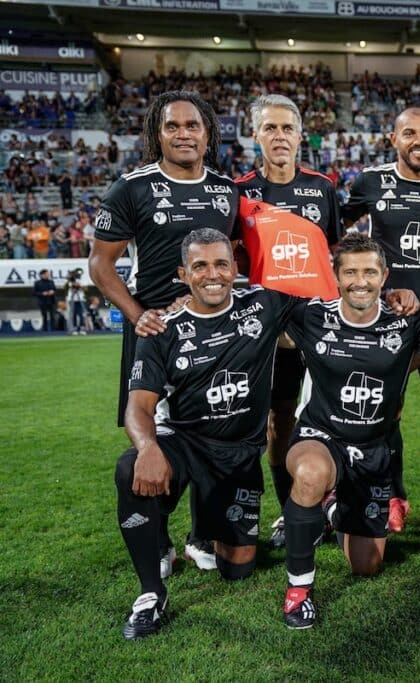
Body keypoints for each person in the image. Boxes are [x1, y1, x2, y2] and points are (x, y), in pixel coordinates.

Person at [114, 229, 297, 639]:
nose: (212, 274)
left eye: (220, 264)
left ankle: (202, 531)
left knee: (239, 568)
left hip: (238, 453)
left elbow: (329, 293)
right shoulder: (162, 329)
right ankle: (150, 593)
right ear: (184, 274)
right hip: (185, 443)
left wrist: (396, 295)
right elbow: (138, 406)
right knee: (131, 468)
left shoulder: (264, 305)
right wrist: (147, 446)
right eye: (200, 266)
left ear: (235, 269)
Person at [89, 90, 238, 574]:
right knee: (150, 433)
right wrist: (138, 315)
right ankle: (158, 541)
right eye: (172, 126)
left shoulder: (226, 190)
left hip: (212, 331)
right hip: (154, 332)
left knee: (209, 427)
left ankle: (201, 535)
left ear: (208, 133)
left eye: (193, 125)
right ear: (158, 133)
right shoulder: (131, 188)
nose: (183, 134)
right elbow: (101, 265)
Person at [280, 233, 420, 629]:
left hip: (373, 450)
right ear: (336, 276)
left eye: (369, 273)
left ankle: (332, 507)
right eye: (350, 273)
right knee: (310, 473)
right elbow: (258, 315)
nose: (360, 282)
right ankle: (298, 590)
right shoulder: (312, 316)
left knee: (367, 565)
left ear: (384, 276)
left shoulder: (406, 321)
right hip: (321, 436)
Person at [342, 107, 420, 533]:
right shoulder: (371, 181)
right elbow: (339, 229)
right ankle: (393, 496)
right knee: (386, 407)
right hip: (389, 316)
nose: (419, 141)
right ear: (393, 139)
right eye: (409, 133)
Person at [235, 94, 341, 548]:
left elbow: (331, 254)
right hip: (269, 332)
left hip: (318, 328)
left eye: (287, 128)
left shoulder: (322, 188)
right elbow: (233, 259)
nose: (279, 136)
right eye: (270, 128)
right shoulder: (239, 191)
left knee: (331, 415)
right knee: (278, 421)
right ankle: (287, 510)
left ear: (300, 136)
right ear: (255, 135)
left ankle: (332, 502)